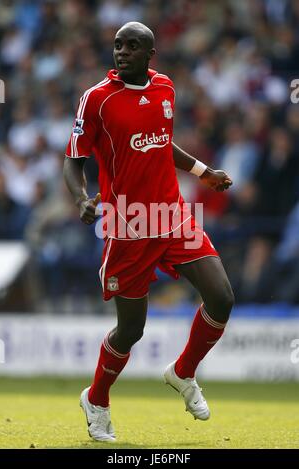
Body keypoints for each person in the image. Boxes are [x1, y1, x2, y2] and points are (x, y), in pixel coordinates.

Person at [63, 22, 234, 442]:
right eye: (118, 45)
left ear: (150, 54)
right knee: (131, 331)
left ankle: (182, 372)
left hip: (171, 215)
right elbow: (73, 159)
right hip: (128, 224)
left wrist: (202, 172)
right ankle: (96, 400)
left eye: (132, 46)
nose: (122, 52)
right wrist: (81, 198)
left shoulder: (166, 90)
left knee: (222, 296)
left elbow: (161, 142)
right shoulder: (97, 99)